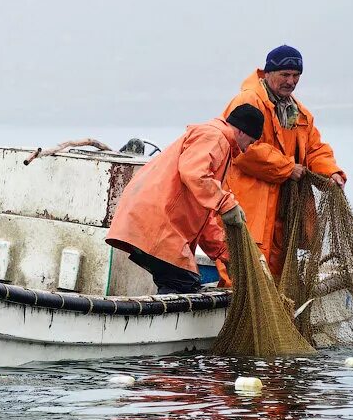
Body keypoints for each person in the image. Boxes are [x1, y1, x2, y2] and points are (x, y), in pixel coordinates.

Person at [105, 105, 265, 294]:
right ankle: (162, 323)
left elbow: (203, 220)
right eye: (251, 141)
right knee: (182, 283)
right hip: (158, 224)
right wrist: (226, 204)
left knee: (181, 282)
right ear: (240, 130)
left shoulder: (218, 145)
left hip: (153, 223)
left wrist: (225, 253)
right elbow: (194, 173)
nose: (247, 149)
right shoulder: (215, 136)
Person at [221, 44, 346, 277]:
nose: (291, 81)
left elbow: (315, 149)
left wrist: (332, 173)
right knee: (239, 270)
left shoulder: (300, 113)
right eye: (285, 75)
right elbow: (242, 149)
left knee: (276, 275)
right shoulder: (249, 101)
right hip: (249, 205)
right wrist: (287, 168)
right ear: (267, 73)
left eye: (296, 75)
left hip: (282, 211)